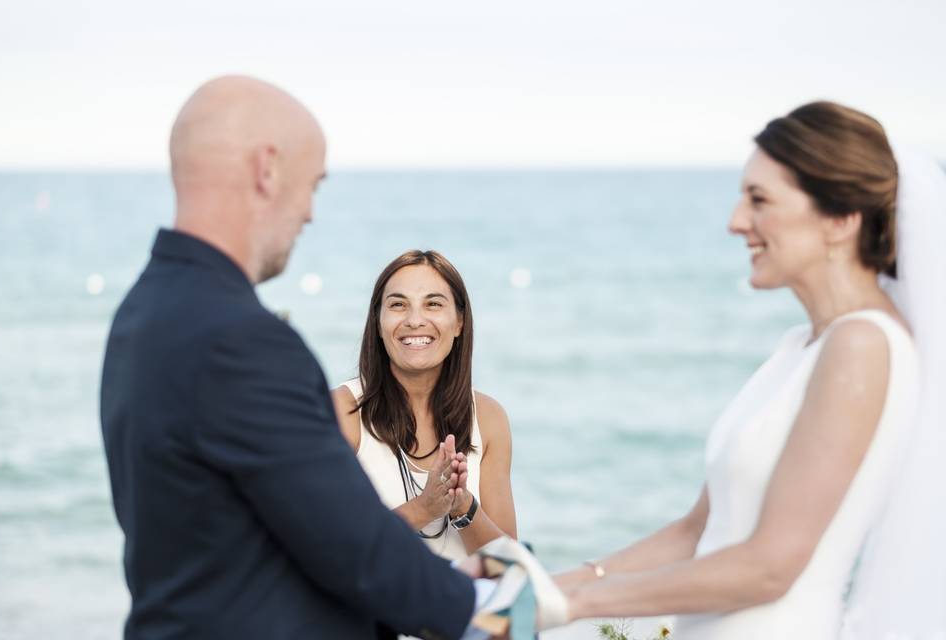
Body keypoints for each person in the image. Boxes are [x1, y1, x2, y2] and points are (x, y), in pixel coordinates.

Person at [99, 76, 478, 640]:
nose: (308, 214)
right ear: (267, 170)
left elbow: (260, 550)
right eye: (313, 185)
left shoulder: (142, 314)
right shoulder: (240, 341)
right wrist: (508, 603)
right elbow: (360, 554)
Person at [551, 101, 942, 639]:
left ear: (841, 219)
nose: (737, 222)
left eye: (760, 200)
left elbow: (769, 568)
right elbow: (698, 529)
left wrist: (577, 605)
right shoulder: (801, 347)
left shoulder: (863, 345)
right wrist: (552, 585)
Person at [331, 250, 517, 563]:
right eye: (398, 305)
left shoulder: (488, 417)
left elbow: (509, 568)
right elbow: (327, 547)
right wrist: (425, 508)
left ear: (459, 321)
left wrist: (462, 506)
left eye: (433, 304)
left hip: (461, 608)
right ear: (378, 322)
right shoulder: (343, 412)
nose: (415, 320)